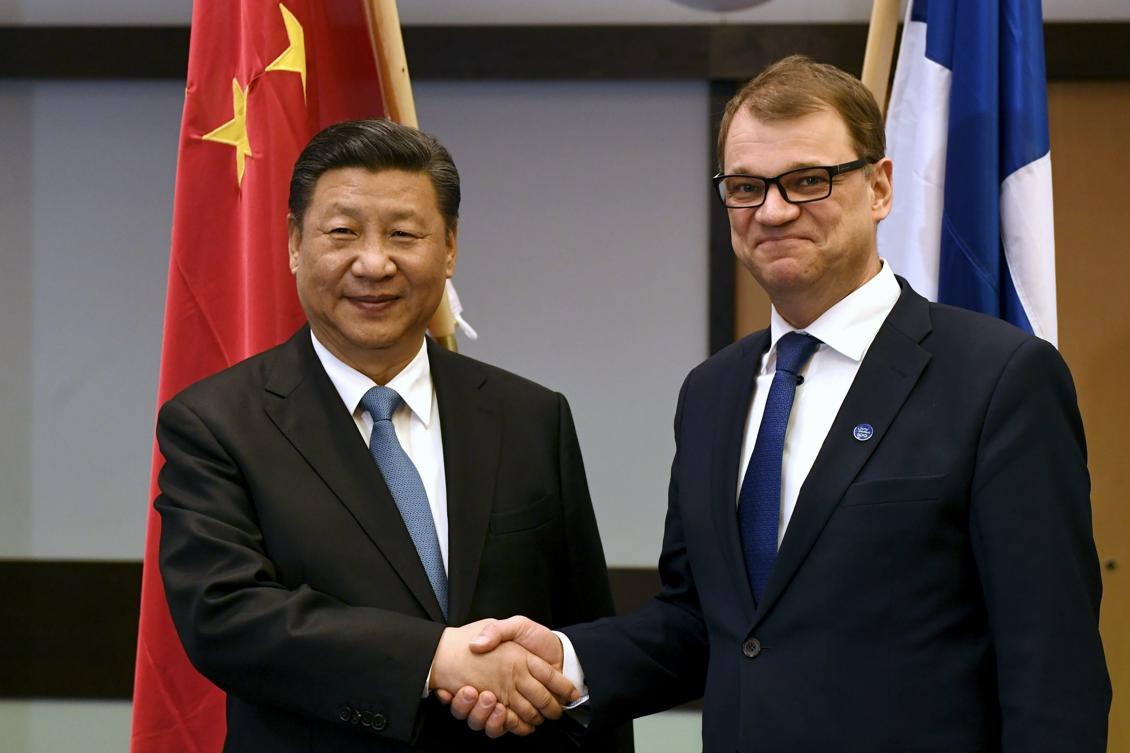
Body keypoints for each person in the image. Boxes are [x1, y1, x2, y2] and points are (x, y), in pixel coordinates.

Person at [445, 55, 1112, 751]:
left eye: (807, 180)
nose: (772, 210)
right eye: (745, 186)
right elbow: (702, 623)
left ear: (880, 188)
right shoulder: (712, 392)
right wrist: (565, 662)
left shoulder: (999, 378)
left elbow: (1053, 668)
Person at [155, 118, 633, 753]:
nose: (374, 263)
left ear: (450, 247)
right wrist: (435, 657)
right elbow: (224, 617)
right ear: (296, 242)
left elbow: (586, 637)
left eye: (404, 234)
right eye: (342, 233)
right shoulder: (216, 423)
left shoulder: (530, 416)